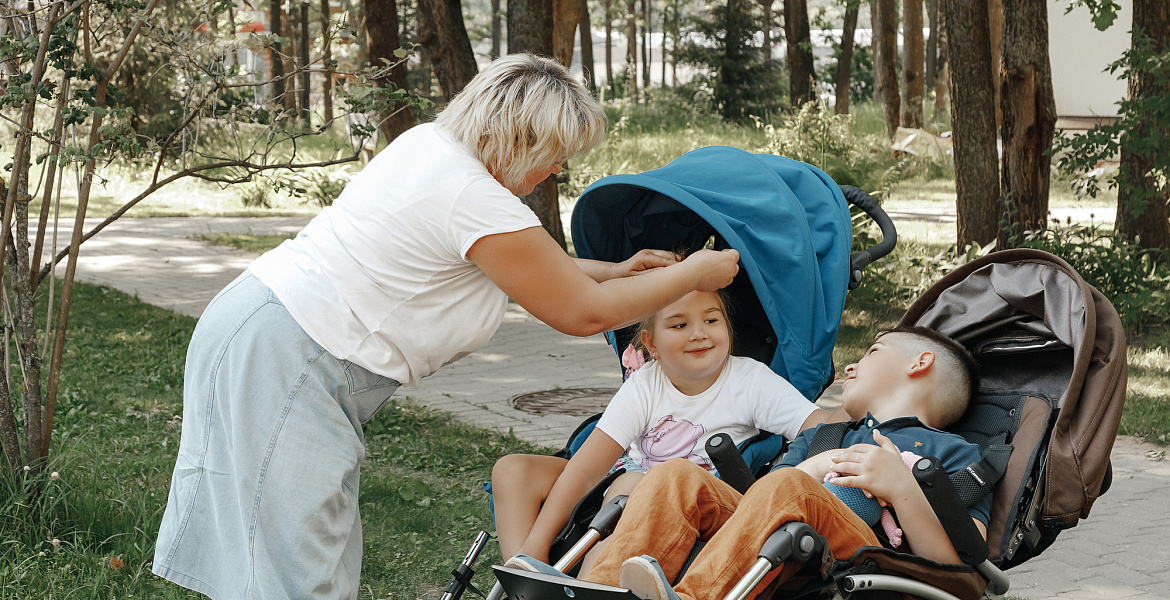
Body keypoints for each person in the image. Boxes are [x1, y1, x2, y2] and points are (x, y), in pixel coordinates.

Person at [151, 54, 741, 600]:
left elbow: (512, 262)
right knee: (297, 562)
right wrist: (697, 271)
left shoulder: (430, 147)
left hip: (264, 325)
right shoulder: (471, 194)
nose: (559, 168)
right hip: (292, 355)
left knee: (288, 544)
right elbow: (579, 312)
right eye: (557, 152)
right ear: (521, 136)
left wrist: (615, 270)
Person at [512, 325, 988, 600]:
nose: (850, 366)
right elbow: (767, 498)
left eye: (872, 350)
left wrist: (901, 488)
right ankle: (602, 589)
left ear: (920, 362)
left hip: (863, 552)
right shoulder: (827, 434)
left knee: (790, 488)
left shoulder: (952, 452)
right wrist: (811, 469)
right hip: (782, 530)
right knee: (676, 474)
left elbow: (960, 570)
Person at [493, 290, 841, 575]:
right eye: (679, 324)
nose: (699, 332)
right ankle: (525, 572)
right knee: (513, 470)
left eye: (711, 319)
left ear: (728, 328)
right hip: (626, 475)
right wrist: (536, 548)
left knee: (630, 485)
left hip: (699, 498)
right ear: (651, 343)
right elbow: (586, 468)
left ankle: (591, 583)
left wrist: (856, 408)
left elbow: (819, 424)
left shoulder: (749, 381)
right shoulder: (646, 384)